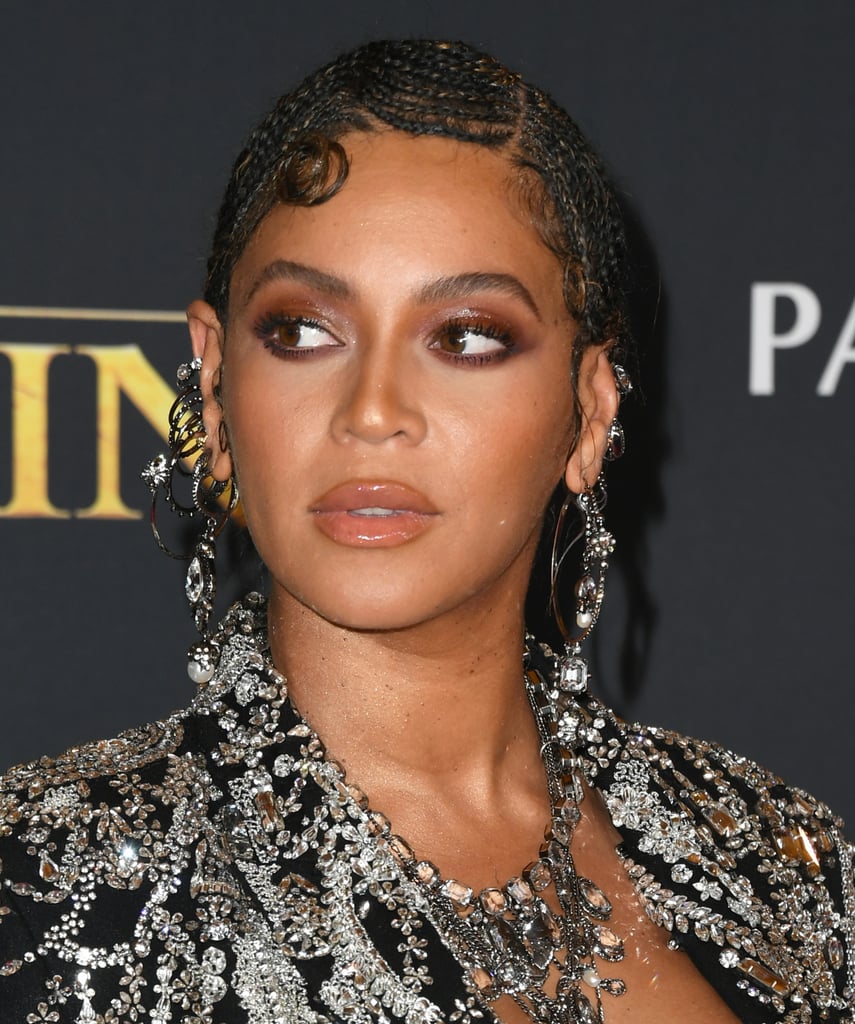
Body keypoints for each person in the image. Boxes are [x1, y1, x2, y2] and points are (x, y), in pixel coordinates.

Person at [0, 39, 851, 1024]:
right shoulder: (44, 889)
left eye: (466, 337)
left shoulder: (782, 857)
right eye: (302, 330)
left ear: (589, 412)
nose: (372, 412)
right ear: (217, 381)